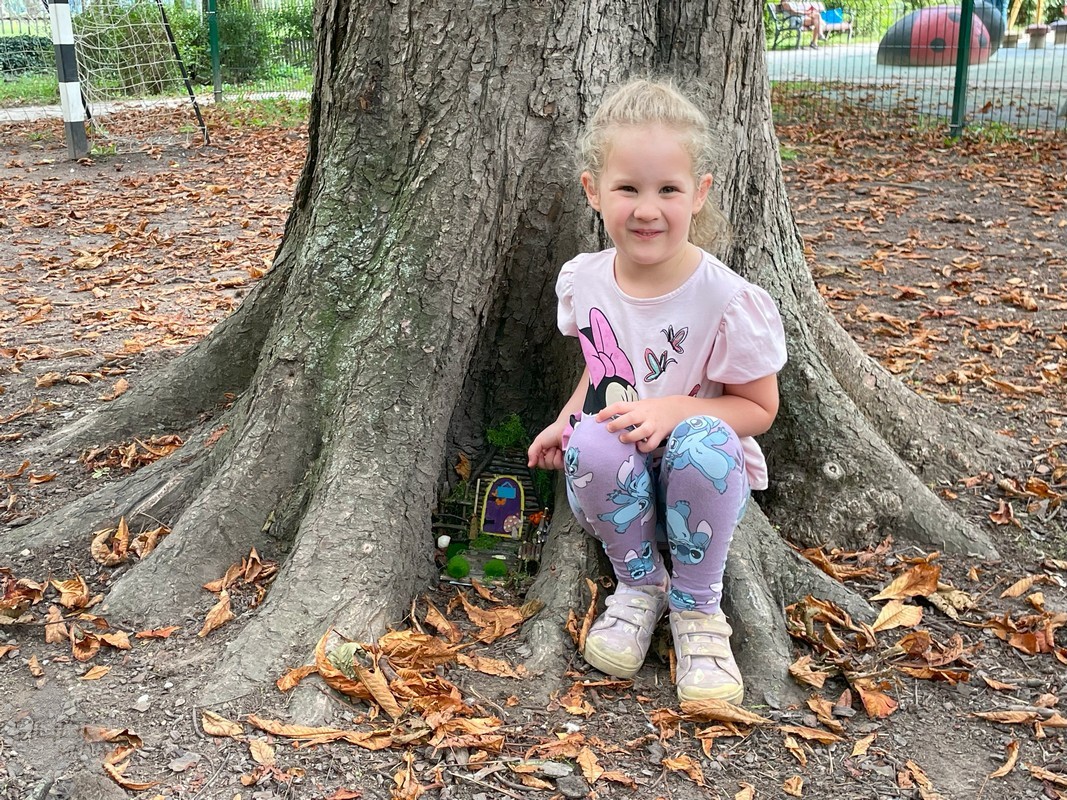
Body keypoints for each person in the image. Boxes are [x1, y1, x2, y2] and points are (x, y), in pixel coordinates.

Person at [527, 79, 787, 704]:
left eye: (668, 189)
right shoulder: (586, 280)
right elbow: (601, 369)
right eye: (628, 189)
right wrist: (565, 421)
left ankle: (698, 609)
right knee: (592, 439)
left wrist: (674, 409)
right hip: (621, 478)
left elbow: (759, 408)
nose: (648, 209)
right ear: (594, 191)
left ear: (699, 193)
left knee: (702, 441)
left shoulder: (726, 299)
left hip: (702, 476)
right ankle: (640, 585)